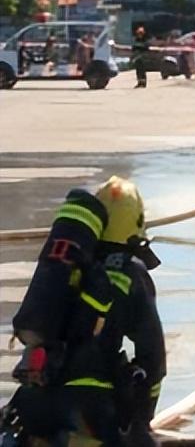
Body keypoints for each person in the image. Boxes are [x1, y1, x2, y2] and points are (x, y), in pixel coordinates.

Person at [3, 177, 165, 446]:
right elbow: (153, 359)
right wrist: (141, 419)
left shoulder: (70, 265)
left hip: (33, 402)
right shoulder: (130, 274)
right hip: (88, 409)